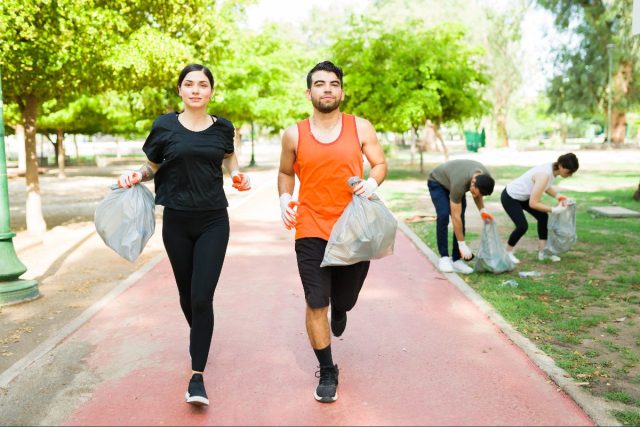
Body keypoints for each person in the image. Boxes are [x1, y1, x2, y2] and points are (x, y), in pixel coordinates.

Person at [116, 64, 251, 407]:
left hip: (213, 222)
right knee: (187, 295)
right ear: (180, 90)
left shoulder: (223, 128)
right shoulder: (164, 126)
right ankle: (201, 334)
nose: (195, 90)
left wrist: (237, 176)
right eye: (189, 84)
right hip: (176, 221)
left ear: (211, 92)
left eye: (202, 85)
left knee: (202, 297)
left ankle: (197, 376)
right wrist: (137, 174)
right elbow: (153, 166)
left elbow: (230, 161)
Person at [277, 60, 387, 403]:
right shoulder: (294, 133)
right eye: (320, 84)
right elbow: (285, 172)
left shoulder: (361, 127)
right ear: (309, 92)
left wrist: (372, 182)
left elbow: (380, 164)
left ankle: (341, 308)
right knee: (314, 301)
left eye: (334, 83)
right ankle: (327, 370)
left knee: (345, 299)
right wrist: (284, 198)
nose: (328, 88)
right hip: (310, 227)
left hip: (354, 228)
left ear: (341, 91)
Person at [501, 152, 579, 264]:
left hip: (525, 196)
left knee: (543, 217)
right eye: (569, 172)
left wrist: (558, 196)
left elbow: (545, 186)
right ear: (561, 165)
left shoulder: (553, 169)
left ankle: (543, 252)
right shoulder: (545, 174)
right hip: (511, 197)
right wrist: (555, 210)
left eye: (572, 173)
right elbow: (533, 203)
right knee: (522, 226)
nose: (570, 175)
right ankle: (507, 253)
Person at [427, 159, 495, 274]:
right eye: (473, 192)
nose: (474, 195)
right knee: (444, 215)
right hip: (437, 181)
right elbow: (455, 217)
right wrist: (462, 245)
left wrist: (483, 211)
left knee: (461, 219)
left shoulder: (485, 178)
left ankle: (456, 259)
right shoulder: (460, 183)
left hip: (453, 181)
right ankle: (444, 257)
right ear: (472, 183)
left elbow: (478, 195)